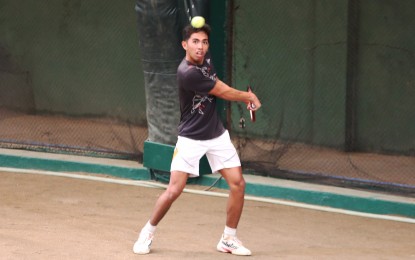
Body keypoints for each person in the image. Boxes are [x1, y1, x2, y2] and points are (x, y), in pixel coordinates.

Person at [133, 22, 261, 256]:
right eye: (194, 42)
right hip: (191, 138)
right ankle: (147, 231)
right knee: (174, 190)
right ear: (184, 45)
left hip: (216, 134)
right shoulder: (187, 72)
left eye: (204, 42)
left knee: (238, 184)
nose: (200, 47)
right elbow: (221, 91)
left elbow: (218, 84)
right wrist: (248, 97)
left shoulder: (207, 59)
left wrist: (243, 97)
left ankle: (228, 239)